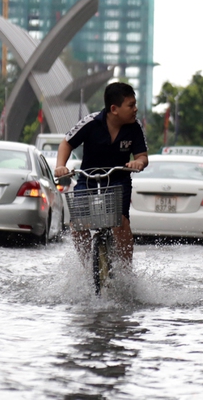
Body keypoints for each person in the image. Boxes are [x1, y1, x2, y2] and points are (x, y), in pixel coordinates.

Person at [54, 82, 148, 267]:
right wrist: (60, 166)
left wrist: (139, 162)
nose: (135, 109)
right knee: (77, 224)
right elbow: (66, 143)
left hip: (118, 181)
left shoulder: (134, 127)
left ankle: (125, 269)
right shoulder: (90, 122)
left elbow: (142, 156)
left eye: (134, 104)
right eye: (130, 105)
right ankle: (87, 266)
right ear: (114, 109)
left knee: (120, 222)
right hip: (88, 180)